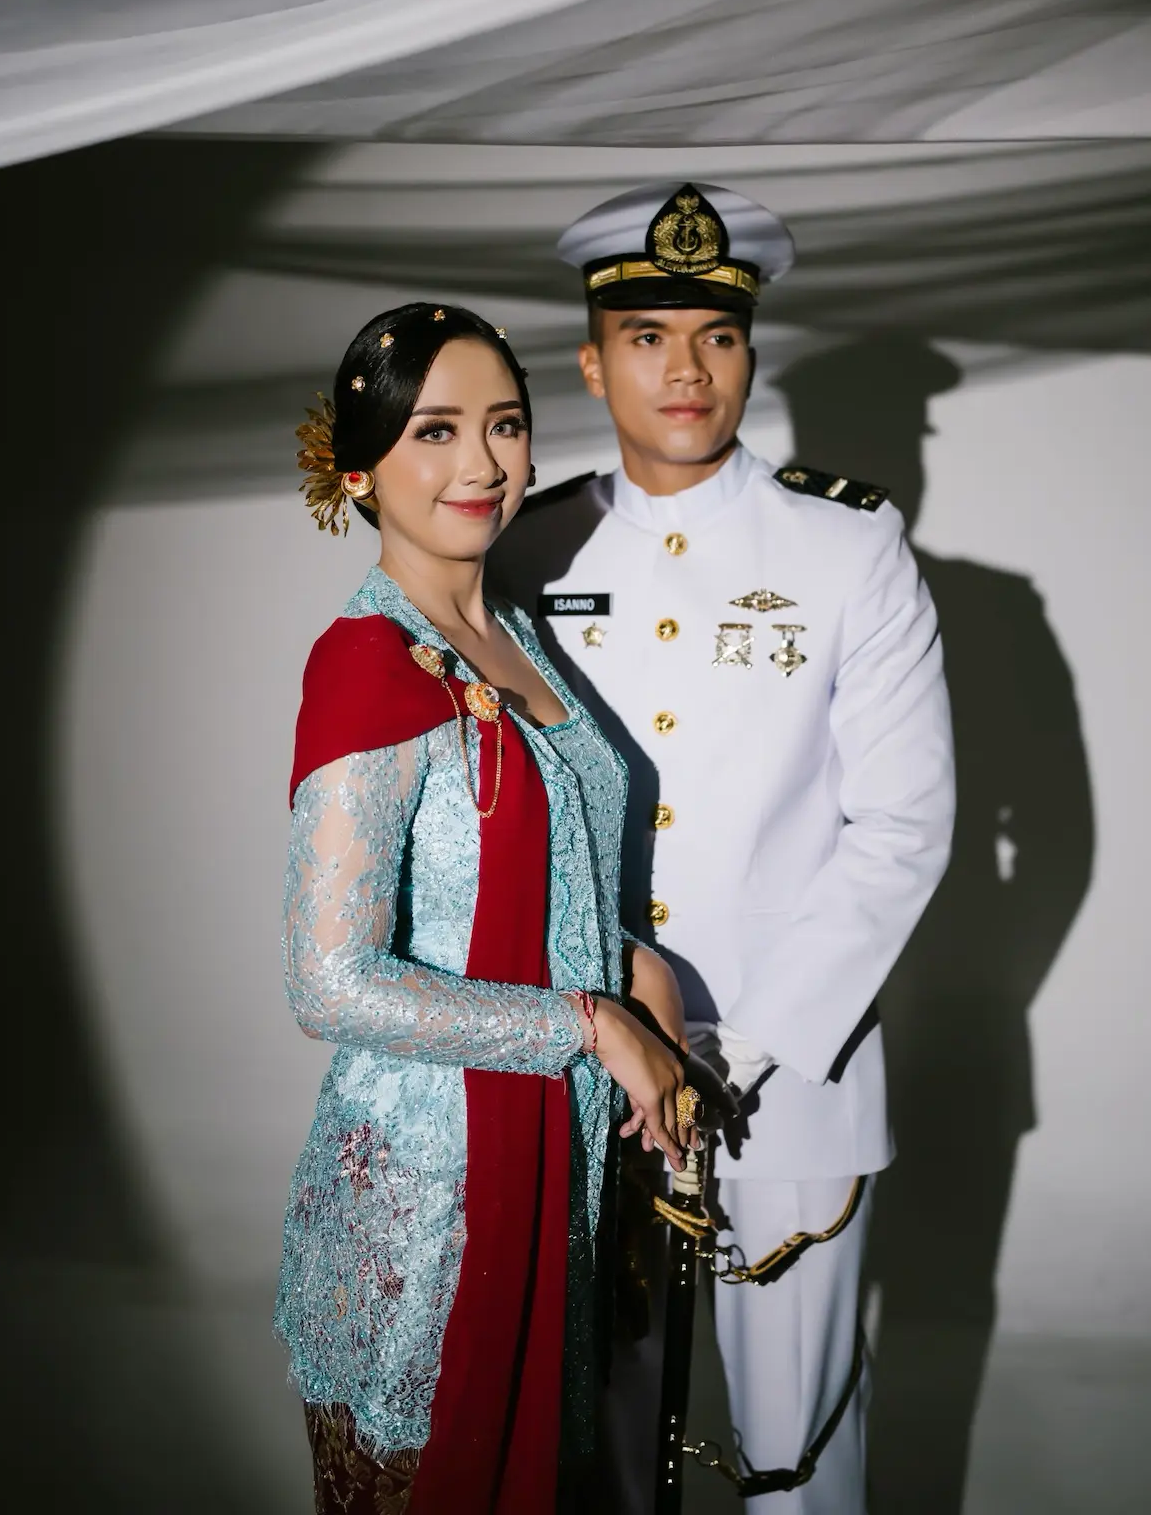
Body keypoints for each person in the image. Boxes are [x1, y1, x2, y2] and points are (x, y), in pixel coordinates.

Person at [489, 186, 957, 1513]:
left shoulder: (847, 546)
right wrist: (608, 1019)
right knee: (586, 1447)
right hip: (582, 1058)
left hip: (789, 1074)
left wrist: (736, 1049)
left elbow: (904, 824)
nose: (685, 369)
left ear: (751, 355)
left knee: (795, 1459)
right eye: (646, 338)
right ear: (593, 364)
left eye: (716, 336)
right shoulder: (526, 548)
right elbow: (502, 810)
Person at [275, 301, 697, 1515]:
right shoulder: (367, 661)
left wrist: (632, 967)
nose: (481, 464)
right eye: (434, 431)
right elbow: (327, 983)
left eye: (503, 426)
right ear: (358, 468)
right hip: (427, 1217)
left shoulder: (504, 627)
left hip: (550, 1168)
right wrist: (588, 1024)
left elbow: (538, 875)